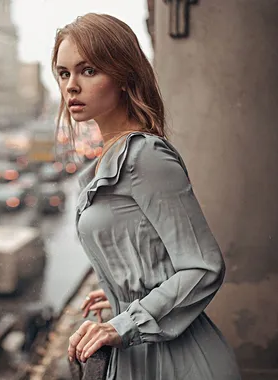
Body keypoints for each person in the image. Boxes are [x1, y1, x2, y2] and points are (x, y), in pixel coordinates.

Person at [53, 14, 241, 379]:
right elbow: (152, 250)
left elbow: (203, 267)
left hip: (180, 364)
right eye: (63, 74)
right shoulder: (111, 157)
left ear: (123, 76)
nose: (71, 86)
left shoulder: (145, 156)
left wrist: (123, 323)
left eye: (87, 70)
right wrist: (124, 293)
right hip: (137, 357)